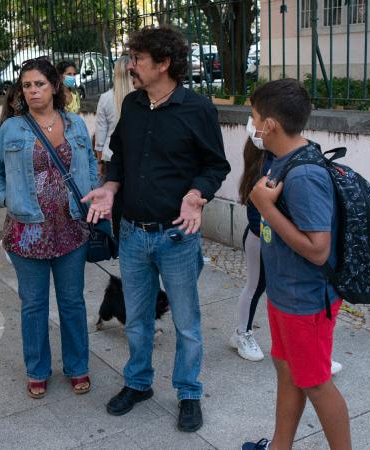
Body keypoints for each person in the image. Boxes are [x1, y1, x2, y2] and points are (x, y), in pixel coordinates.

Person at [81, 26, 230, 433]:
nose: (131, 66)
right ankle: (138, 382)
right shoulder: (130, 103)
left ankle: (188, 392)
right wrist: (110, 188)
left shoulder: (197, 109)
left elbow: (216, 165)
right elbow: (120, 161)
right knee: (137, 318)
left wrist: (197, 193)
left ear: (163, 64)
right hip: (131, 233)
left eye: (138, 60)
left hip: (176, 236)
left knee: (186, 320)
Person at [241, 79, 350, 450]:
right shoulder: (282, 159)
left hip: (306, 301)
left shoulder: (304, 174)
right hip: (285, 294)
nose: (251, 124)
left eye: (253, 116)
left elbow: (318, 250)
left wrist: (266, 208)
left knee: (316, 383)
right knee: (288, 373)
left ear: (269, 123)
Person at [0, 58, 98, 400]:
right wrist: (6, 197)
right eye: (27, 85)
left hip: (71, 230)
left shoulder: (75, 124)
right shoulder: (12, 129)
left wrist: (90, 195)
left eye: (40, 84)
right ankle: (37, 369)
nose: (32, 91)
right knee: (33, 304)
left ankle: (77, 366)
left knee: (72, 302)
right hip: (26, 231)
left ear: (55, 87)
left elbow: (90, 163)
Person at [232, 138, 273, 362]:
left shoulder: (271, 163)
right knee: (255, 287)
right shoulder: (262, 168)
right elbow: (256, 217)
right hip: (260, 239)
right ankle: (242, 334)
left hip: (268, 239)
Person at [94, 55, 133, 238]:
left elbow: (100, 132)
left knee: (116, 201)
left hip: (111, 155)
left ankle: (118, 236)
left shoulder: (106, 98)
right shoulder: (140, 97)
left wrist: (99, 158)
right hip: (134, 155)